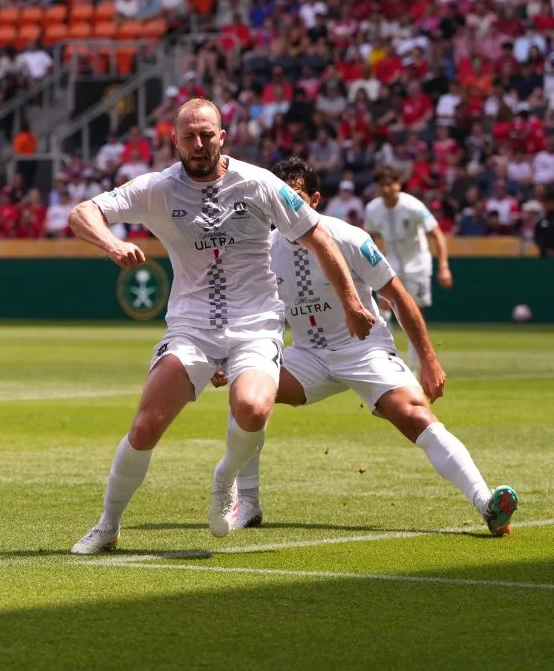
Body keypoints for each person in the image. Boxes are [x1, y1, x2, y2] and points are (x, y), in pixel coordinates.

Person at [68, 98, 376, 554]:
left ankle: (225, 478)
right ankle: (108, 526)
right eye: (189, 136)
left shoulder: (259, 183)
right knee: (146, 426)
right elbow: (81, 213)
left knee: (253, 409)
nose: (198, 144)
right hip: (191, 327)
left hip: (255, 325)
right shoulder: (157, 188)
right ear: (174, 140)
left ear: (222, 137)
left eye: (206, 135)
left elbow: (318, 236)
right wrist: (112, 243)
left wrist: (351, 302)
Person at [211, 158, 518, 537]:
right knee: (247, 390)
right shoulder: (261, 249)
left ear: (316, 200)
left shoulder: (349, 238)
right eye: (281, 198)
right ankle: (249, 504)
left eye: (298, 198)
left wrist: (429, 360)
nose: (288, 208)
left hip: (364, 350)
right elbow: (244, 309)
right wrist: (228, 356)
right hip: (306, 355)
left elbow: (399, 297)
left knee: (414, 415)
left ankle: (486, 503)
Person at [364, 166, 453, 374]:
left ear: (398, 185)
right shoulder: (372, 209)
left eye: (390, 184)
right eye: (381, 185)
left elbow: (437, 233)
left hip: (417, 266)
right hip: (390, 264)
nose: (386, 189)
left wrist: (444, 266)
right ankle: (388, 362)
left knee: (414, 315)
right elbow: (369, 238)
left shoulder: (414, 206)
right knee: (382, 310)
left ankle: (413, 366)